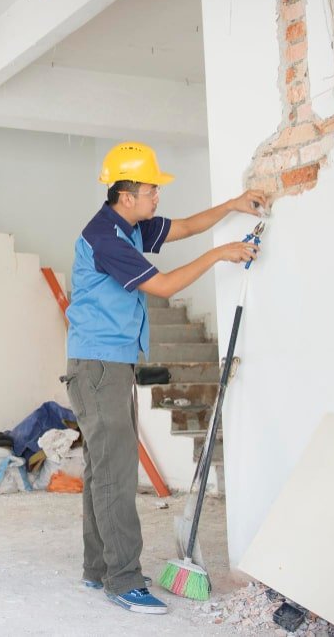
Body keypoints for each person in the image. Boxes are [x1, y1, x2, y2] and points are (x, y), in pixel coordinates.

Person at [63, 142, 265, 614]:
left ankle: (100, 569)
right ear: (127, 194)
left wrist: (233, 205)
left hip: (107, 364)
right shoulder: (107, 238)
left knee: (101, 472)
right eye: (153, 189)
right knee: (114, 474)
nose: (158, 197)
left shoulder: (128, 226)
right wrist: (221, 255)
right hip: (98, 368)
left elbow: (187, 226)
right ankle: (123, 579)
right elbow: (166, 285)